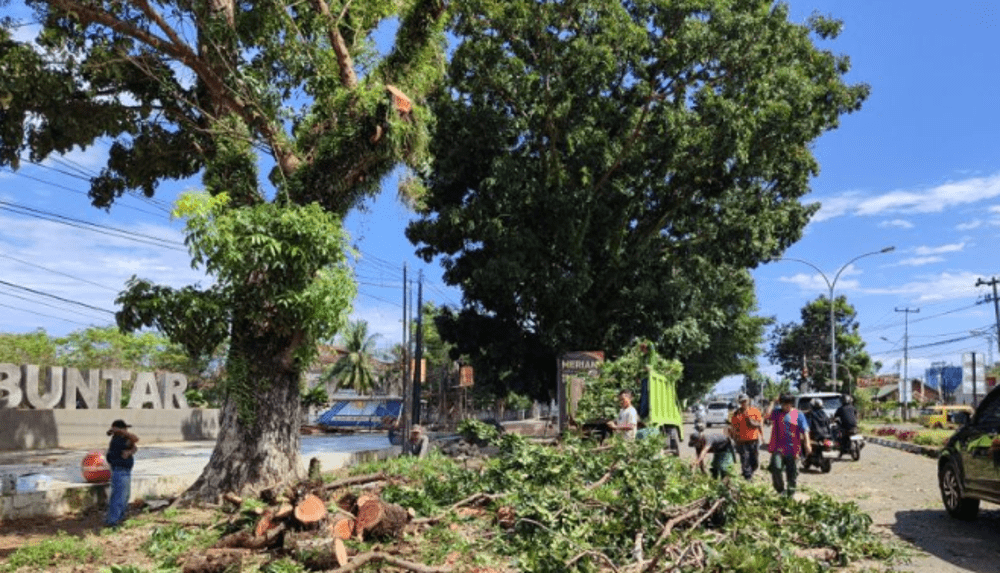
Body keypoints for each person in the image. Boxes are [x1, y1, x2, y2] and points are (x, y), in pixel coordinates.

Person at [767, 394, 811, 497]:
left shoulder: (797, 414)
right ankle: (780, 490)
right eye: (784, 404)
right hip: (778, 448)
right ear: (781, 403)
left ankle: (791, 492)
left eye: (789, 404)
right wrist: (773, 402)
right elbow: (767, 415)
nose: (786, 406)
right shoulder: (777, 413)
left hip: (793, 448)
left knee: (792, 472)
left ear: (792, 404)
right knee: (776, 468)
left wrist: (807, 443)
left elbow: (805, 430)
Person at [105, 419, 139, 527]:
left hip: (125, 471)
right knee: (119, 496)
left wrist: (130, 451)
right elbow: (134, 439)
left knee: (124, 496)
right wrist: (120, 432)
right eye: (125, 429)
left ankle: (120, 519)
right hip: (120, 471)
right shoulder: (117, 440)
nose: (126, 431)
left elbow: (134, 446)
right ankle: (113, 521)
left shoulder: (122, 439)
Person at [729, 393, 763, 480]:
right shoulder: (736, 414)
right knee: (745, 460)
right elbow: (733, 427)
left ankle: (749, 473)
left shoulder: (755, 411)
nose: (743, 403)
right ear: (739, 403)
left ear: (748, 401)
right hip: (741, 441)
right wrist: (733, 438)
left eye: (745, 401)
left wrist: (762, 436)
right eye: (741, 402)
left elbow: (760, 424)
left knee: (754, 462)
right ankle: (747, 478)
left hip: (754, 440)